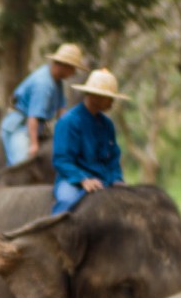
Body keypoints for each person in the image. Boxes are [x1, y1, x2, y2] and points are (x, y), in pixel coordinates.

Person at [50, 68, 129, 213]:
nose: (112, 102)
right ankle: (56, 234)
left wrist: (117, 179)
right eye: (108, 97)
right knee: (67, 203)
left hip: (103, 180)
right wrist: (83, 180)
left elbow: (113, 159)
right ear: (95, 96)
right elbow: (62, 160)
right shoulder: (69, 122)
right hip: (73, 181)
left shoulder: (107, 125)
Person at [0, 42, 85, 166]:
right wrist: (34, 145)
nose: (73, 73)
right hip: (21, 127)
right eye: (73, 69)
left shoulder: (57, 81)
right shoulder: (43, 84)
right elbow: (33, 117)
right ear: (64, 66)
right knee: (22, 165)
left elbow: (61, 110)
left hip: (38, 127)